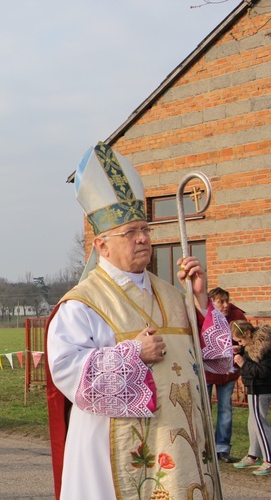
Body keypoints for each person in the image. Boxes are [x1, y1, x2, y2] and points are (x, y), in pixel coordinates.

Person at [46, 142, 232, 500]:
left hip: (182, 451)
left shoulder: (174, 294)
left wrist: (201, 300)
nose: (144, 238)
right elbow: (68, 372)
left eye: (144, 229)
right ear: (101, 245)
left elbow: (216, 360)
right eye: (130, 232)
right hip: (114, 449)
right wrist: (133, 354)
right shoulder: (82, 304)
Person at [205, 286, 247, 463]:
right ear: (212, 302)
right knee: (204, 409)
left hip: (229, 372)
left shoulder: (237, 315)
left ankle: (222, 448)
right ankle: (204, 447)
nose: (225, 305)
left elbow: (247, 337)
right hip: (207, 370)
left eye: (226, 300)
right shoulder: (203, 315)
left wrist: (240, 347)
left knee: (225, 408)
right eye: (220, 301)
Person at [231, 321, 271, 475]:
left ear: (247, 334)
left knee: (260, 423)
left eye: (240, 341)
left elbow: (262, 370)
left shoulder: (262, 348)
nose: (240, 343)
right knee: (253, 421)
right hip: (256, 388)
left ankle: (268, 459)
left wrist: (243, 363)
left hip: (259, 387)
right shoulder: (254, 343)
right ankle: (254, 454)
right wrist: (240, 351)